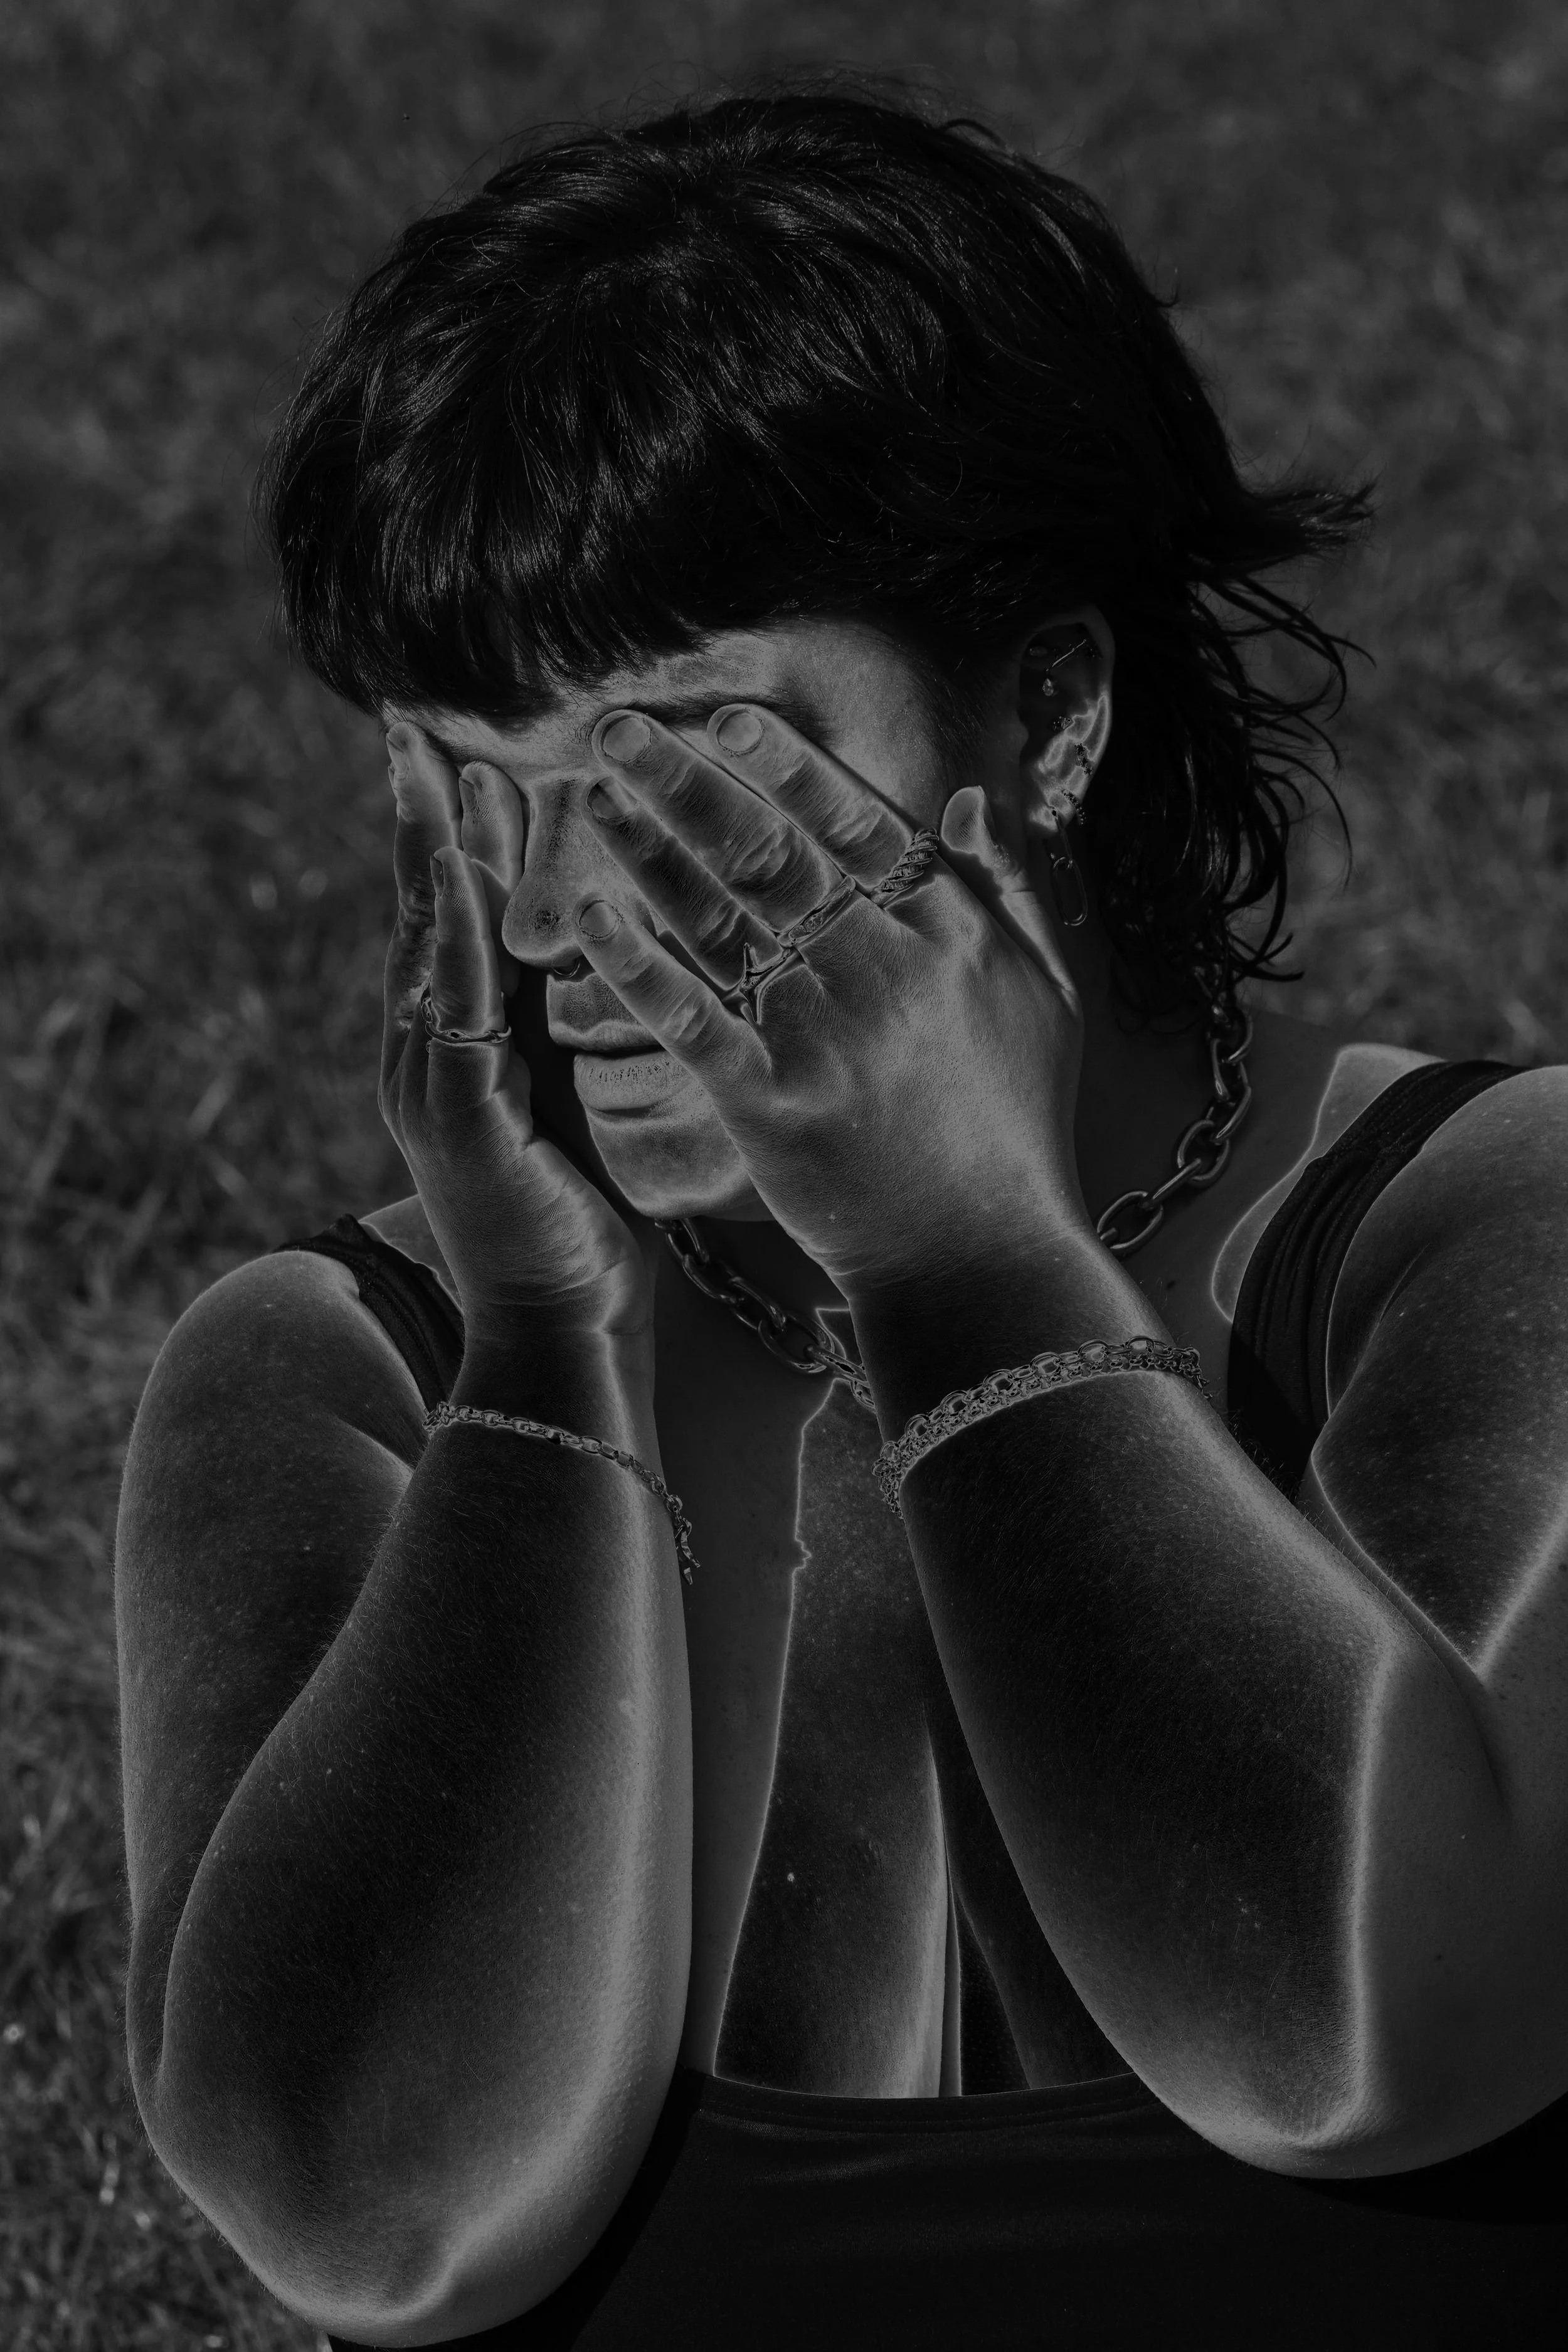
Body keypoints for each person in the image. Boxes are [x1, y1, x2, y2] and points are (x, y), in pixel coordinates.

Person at [114, 82, 1568, 2351]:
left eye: (684, 775)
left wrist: (960, 1250)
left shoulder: (1477, 1232)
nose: (569, 915)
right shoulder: (328, 1378)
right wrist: (536, 1347)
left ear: (1050, 714)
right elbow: (374, 2215)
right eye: (476, 795)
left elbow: (1357, 2033)